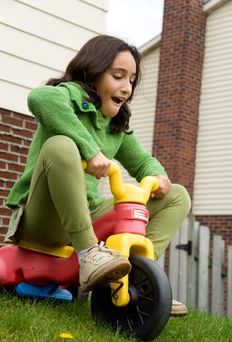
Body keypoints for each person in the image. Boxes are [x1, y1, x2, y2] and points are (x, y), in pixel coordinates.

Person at [5, 35, 191, 312]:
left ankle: (138, 274)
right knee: (61, 145)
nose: (126, 88)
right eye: (118, 76)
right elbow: (40, 97)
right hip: (43, 217)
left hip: (87, 214)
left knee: (178, 196)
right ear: (92, 72)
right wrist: (90, 151)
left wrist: (158, 176)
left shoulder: (115, 126)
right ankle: (90, 253)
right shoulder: (67, 97)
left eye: (131, 80)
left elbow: (142, 162)